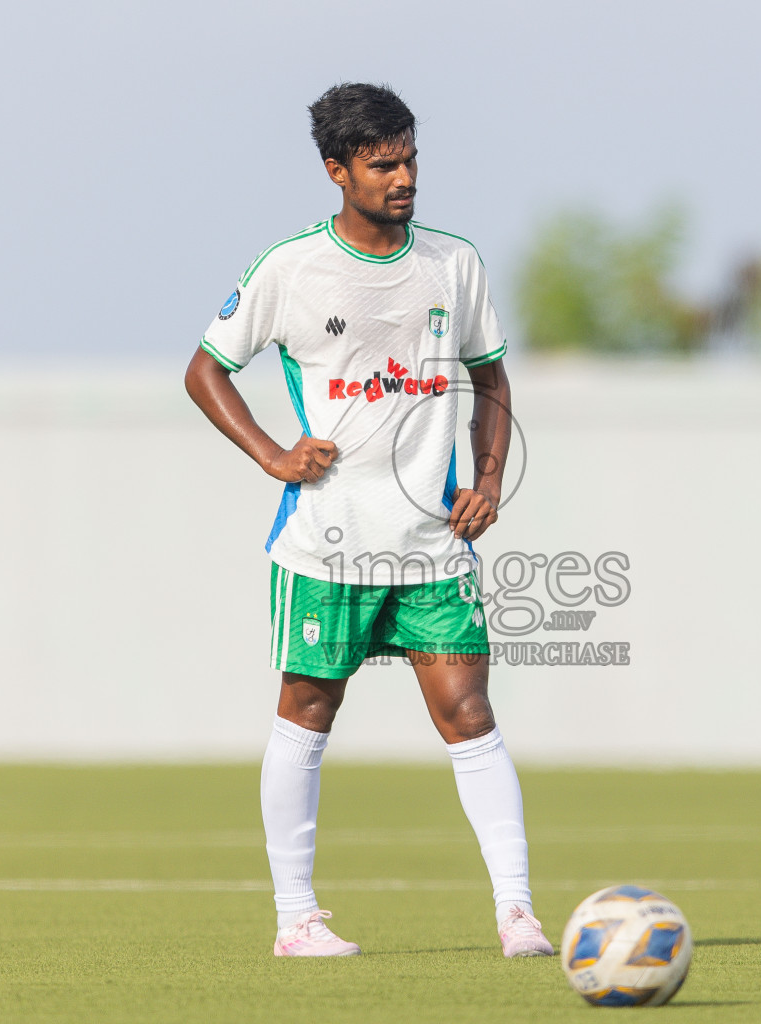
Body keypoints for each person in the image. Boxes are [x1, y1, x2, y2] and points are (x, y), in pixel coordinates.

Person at [183, 83, 550, 958]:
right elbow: (205, 371)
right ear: (336, 170)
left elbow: (491, 383)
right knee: (308, 708)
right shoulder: (290, 268)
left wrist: (489, 478)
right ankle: (296, 920)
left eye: (411, 158)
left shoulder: (454, 264)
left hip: (431, 547)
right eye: (383, 164)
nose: (403, 177)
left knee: (468, 711)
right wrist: (274, 454)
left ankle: (517, 912)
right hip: (326, 543)